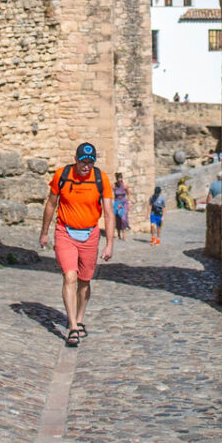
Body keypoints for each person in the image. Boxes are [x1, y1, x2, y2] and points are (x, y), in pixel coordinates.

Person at [39, 142, 114, 348]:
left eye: (90, 162)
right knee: (69, 276)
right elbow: (51, 204)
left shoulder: (101, 179)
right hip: (65, 231)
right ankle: (72, 326)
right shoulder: (62, 176)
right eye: (83, 161)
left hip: (90, 234)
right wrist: (44, 232)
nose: (86, 166)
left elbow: (108, 212)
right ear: (76, 159)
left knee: (84, 280)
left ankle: (79, 318)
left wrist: (109, 243)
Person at [112, 172, 130, 241]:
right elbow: (111, 195)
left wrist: (129, 203)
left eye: (121, 179)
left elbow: (128, 194)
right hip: (117, 203)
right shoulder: (114, 186)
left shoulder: (125, 185)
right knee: (118, 218)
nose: (120, 180)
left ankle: (124, 235)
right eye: (118, 179)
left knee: (123, 218)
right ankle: (119, 234)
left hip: (124, 203)